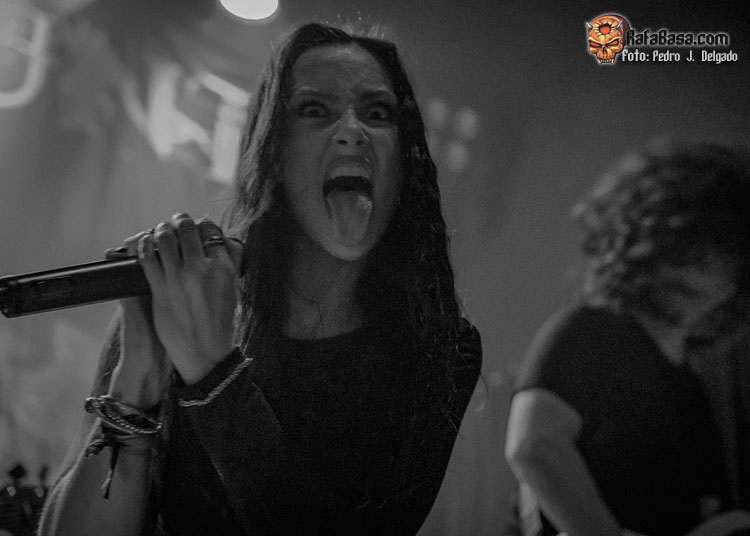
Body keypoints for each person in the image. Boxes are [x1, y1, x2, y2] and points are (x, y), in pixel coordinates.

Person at [38, 22, 482, 536]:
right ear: (275, 155)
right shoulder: (188, 299)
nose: (352, 131)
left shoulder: (440, 349)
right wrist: (135, 380)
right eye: (314, 110)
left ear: (405, 160)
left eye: (377, 113)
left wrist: (213, 373)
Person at [505, 140, 750, 536]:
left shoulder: (693, 387)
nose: (703, 266)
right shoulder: (589, 330)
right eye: (690, 248)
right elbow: (534, 447)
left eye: (723, 253)